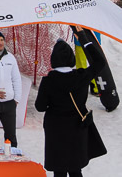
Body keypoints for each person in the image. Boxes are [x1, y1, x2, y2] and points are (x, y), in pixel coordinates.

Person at [35, 26, 107, 177]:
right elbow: (100, 61)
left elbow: (40, 107)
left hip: (55, 127)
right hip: (77, 125)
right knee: (75, 169)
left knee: (59, 169)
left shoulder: (48, 81)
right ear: (71, 58)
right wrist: (83, 37)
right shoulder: (82, 75)